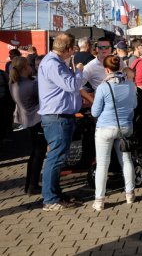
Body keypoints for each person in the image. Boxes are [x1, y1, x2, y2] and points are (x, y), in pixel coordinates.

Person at [38, 33, 84, 211]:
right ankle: (50, 199)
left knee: (58, 158)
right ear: (69, 49)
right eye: (73, 49)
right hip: (57, 117)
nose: (74, 52)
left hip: (61, 116)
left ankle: (55, 194)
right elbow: (72, 86)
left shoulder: (57, 62)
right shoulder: (53, 64)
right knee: (55, 158)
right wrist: (79, 71)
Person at [91, 55, 137, 211]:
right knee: (126, 160)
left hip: (105, 128)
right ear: (120, 67)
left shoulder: (103, 87)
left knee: (103, 164)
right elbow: (134, 104)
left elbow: (95, 112)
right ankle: (130, 194)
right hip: (125, 127)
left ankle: (99, 200)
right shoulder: (130, 85)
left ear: (106, 70)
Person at [9, 56, 46, 196]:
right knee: (39, 153)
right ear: (25, 68)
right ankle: (32, 185)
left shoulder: (13, 83)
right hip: (36, 120)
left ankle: (29, 184)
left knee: (35, 152)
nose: (32, 67)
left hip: (27, 120)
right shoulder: (31, 85)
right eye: (30, 65)